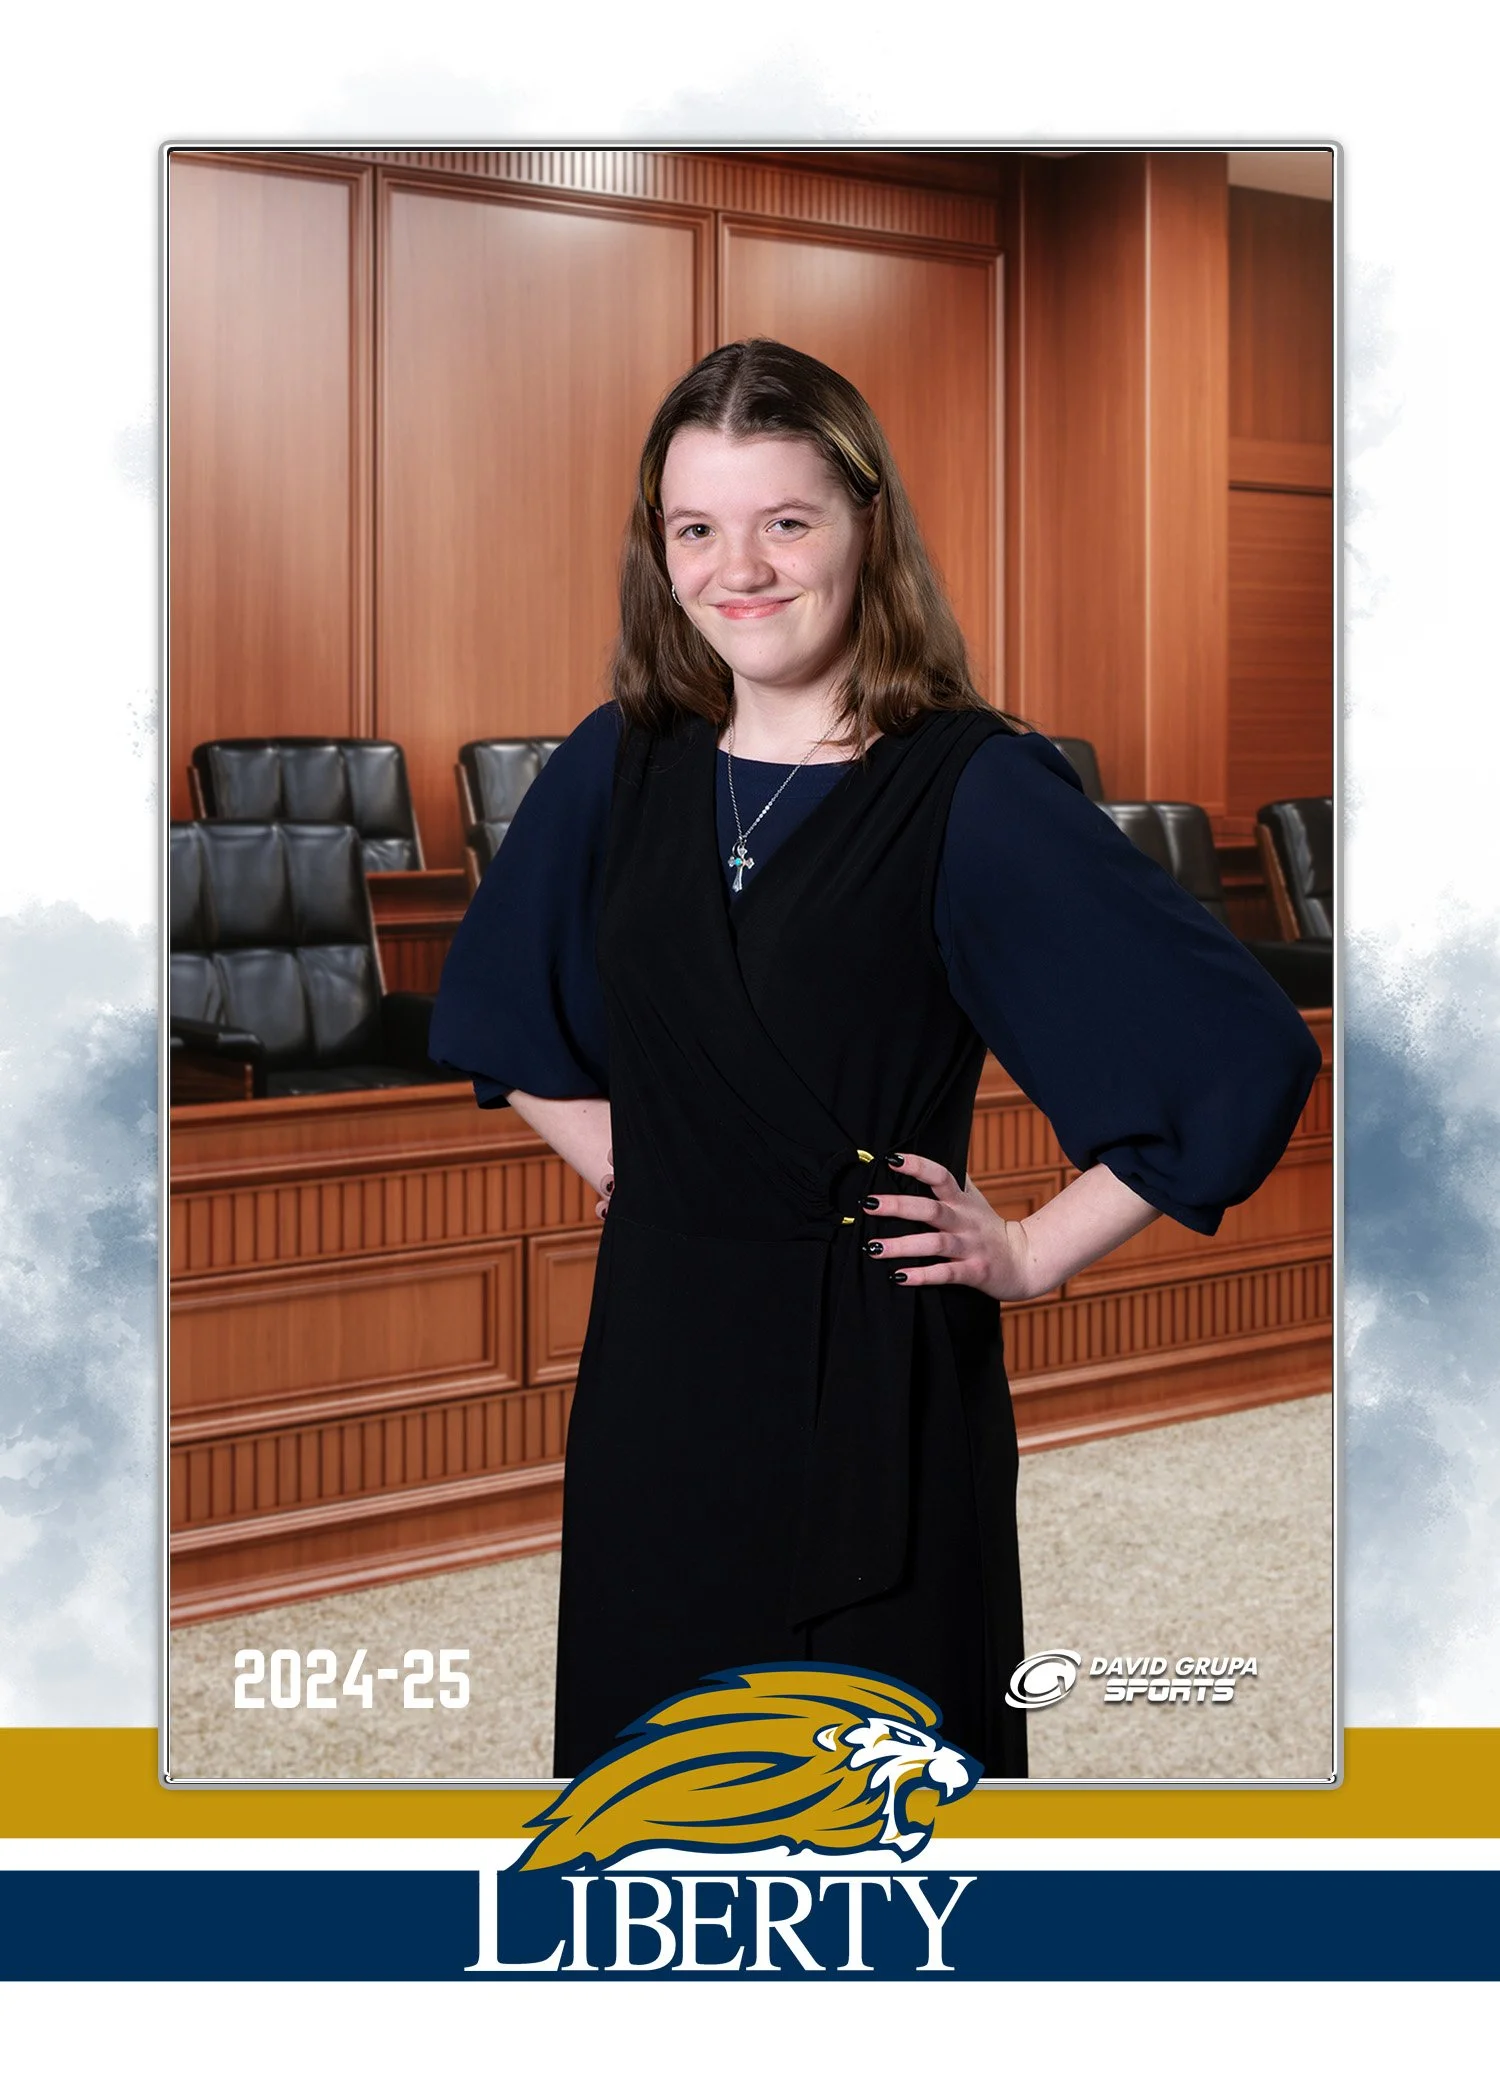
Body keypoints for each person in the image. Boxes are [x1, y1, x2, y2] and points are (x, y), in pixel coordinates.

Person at [430, 338, 1322, 1782]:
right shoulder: (623, 757)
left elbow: (1235, 1050)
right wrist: (623, 1146)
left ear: (865, 526)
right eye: (696, 529)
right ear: (659, 554)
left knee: (874, 1805)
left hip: (873, 1372)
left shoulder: (973, 786)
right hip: (660, 1367)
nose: (743, 570)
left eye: (786, 521)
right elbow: (495, 1008)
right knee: (650, 1799)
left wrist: (1034, 1256)